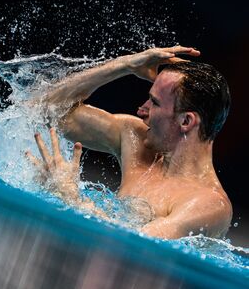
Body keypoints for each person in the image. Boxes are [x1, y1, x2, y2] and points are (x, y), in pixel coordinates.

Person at [25, 46, 232, 239]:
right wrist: (125, 65)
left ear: (185, 121)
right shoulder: (136, 140)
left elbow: (134, 245)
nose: (142, 110)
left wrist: (71, 198)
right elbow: (43, 109)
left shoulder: (209, 204)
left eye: (155, 103)